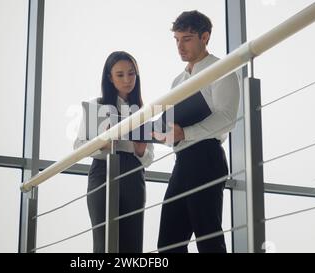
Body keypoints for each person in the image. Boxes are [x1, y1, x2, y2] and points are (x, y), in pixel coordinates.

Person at [153, 10, 240, 253]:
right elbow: (173, 129)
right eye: (177, 40)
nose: (180, 46)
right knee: (169, 243)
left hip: (207, 157)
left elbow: (227, 119)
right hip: (182, 160)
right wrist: (161, 133)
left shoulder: (221, 69)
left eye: (187, 39)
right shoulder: (177, 81)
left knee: (208, 238)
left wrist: (186, 133)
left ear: (205, 37)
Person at [74, 51, 154, 253]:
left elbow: (148, 156)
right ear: (109, 78)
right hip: (103, 170)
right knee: (104, 242)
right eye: (120, 75)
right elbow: (78, 146)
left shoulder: (143, 110)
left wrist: (141, 149)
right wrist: (102, 142)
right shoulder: (97, 106)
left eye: (131, 73)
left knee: (132, 243)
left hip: (133, 174)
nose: (127, 80)